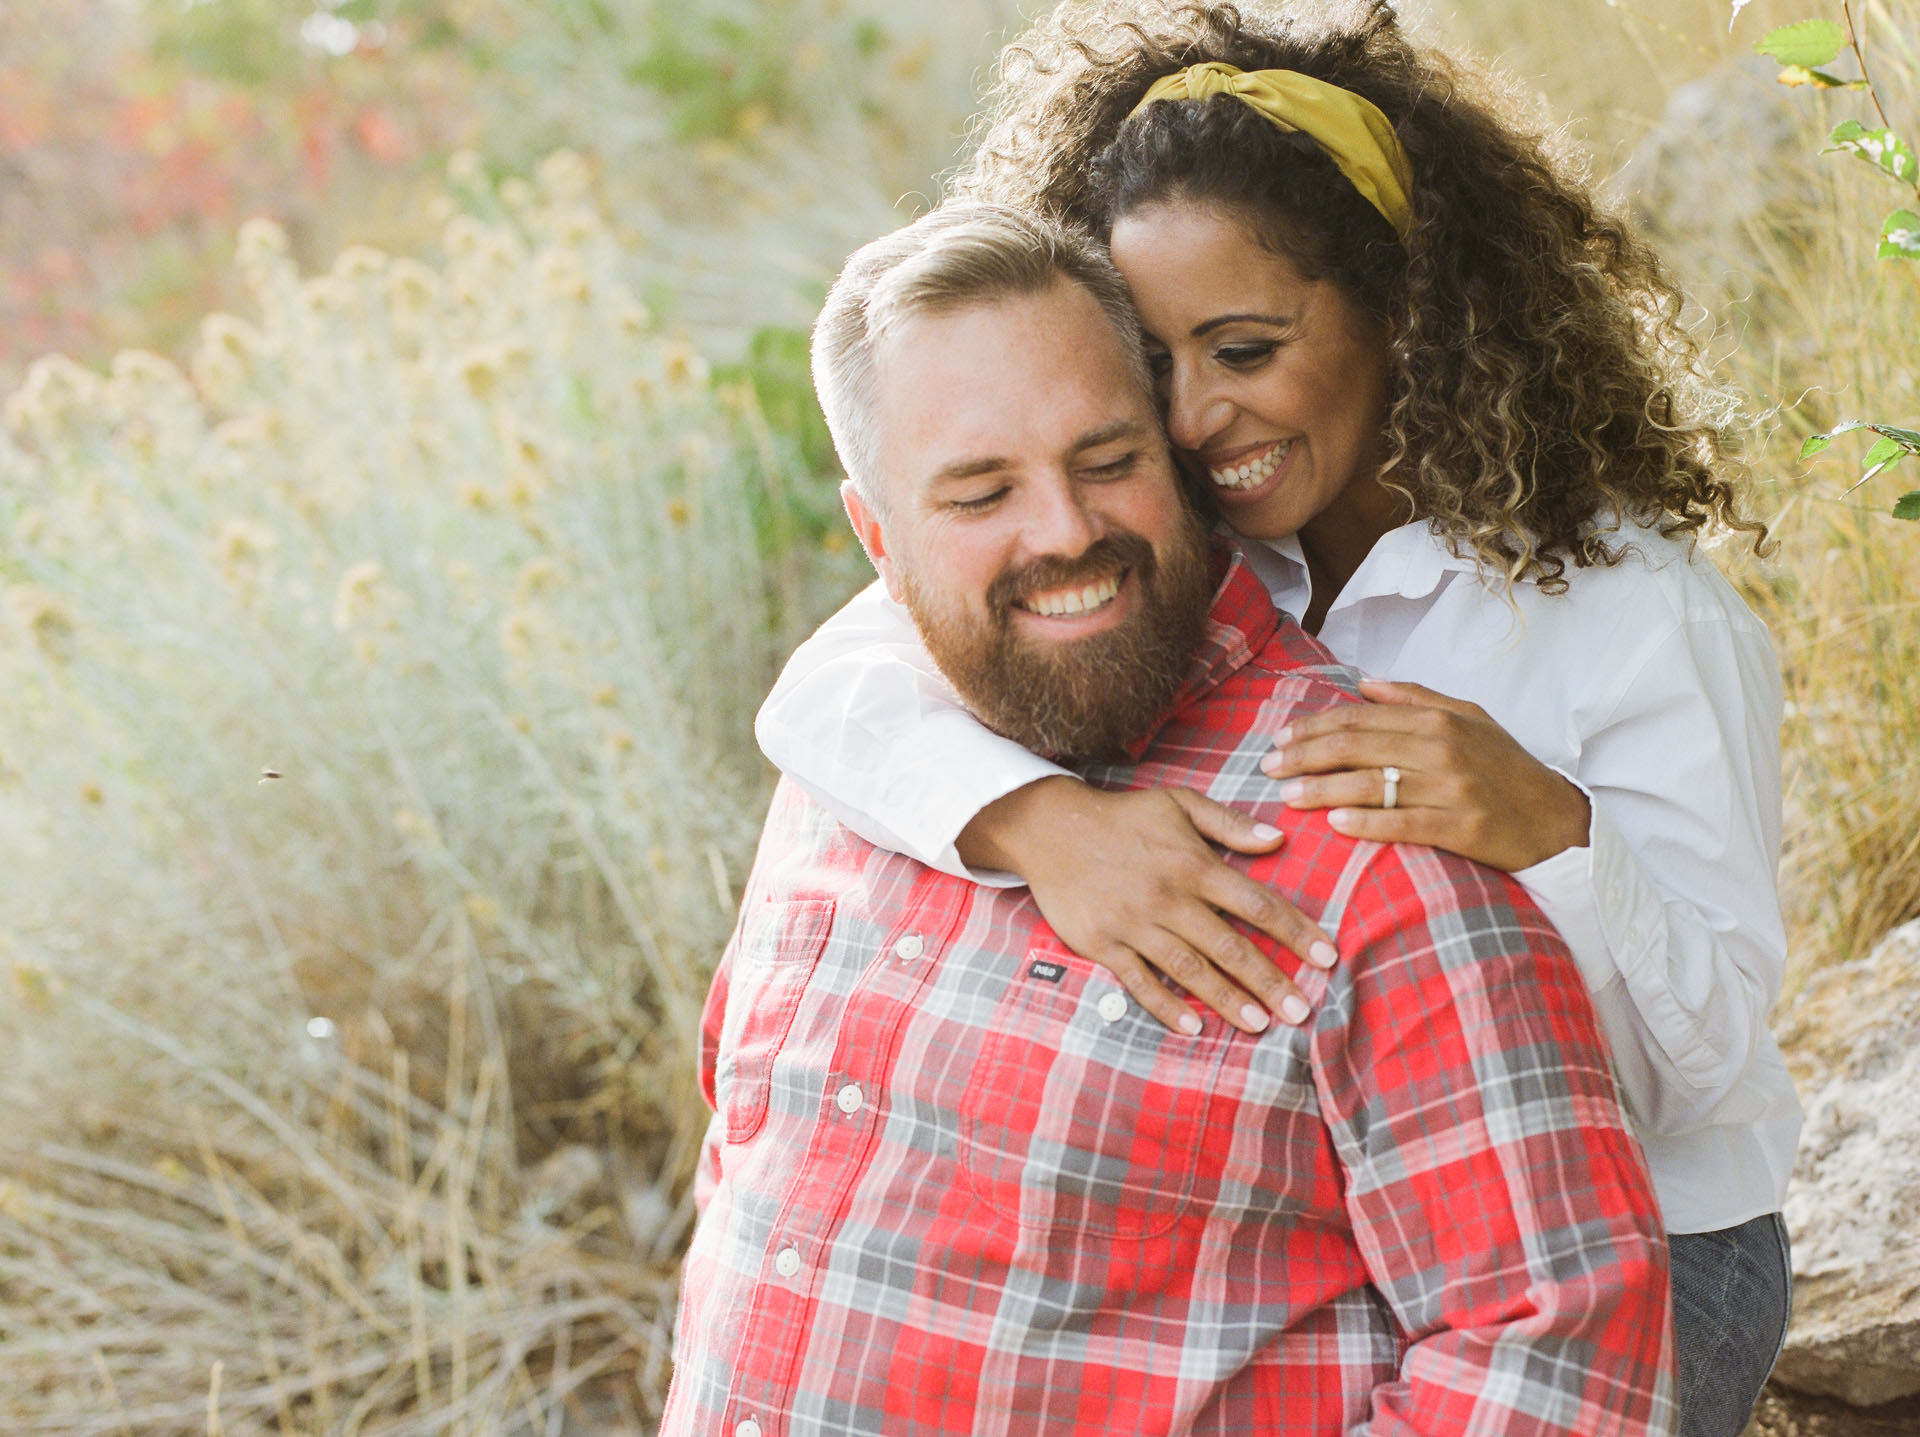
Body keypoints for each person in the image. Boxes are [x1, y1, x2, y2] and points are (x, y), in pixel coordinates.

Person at [752, 5, 1797, 1436]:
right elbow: (832, 684)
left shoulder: (1629, 616)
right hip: (1385, 1195)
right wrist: (1039, 821)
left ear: (1399, 308)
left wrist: (1556, 832)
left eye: (1245, 347)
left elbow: (1716, 1054)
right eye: (1155, 365)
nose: (1192, 420)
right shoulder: (1185, 531)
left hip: (1660, 1238)